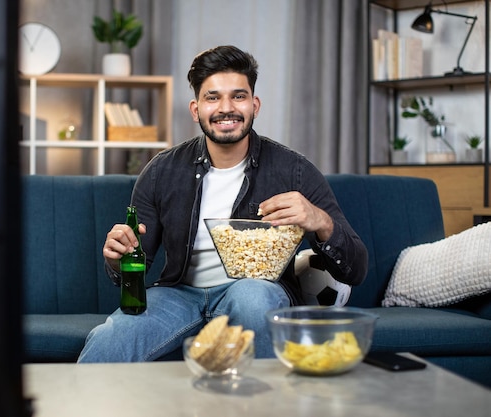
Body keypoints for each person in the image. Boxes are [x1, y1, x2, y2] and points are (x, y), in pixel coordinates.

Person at [77, 45, 368, 362]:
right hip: (178, 294)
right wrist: (118, 257)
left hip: (254, 290)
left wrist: (320, 221)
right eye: (212, 97)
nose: (226, 108)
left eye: (238, 96)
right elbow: (135, 263)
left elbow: (356, 269)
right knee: (111, 339)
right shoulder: (161, 171)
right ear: (195, 109)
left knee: (252, 296)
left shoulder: (294, 170)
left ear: (255, 105)